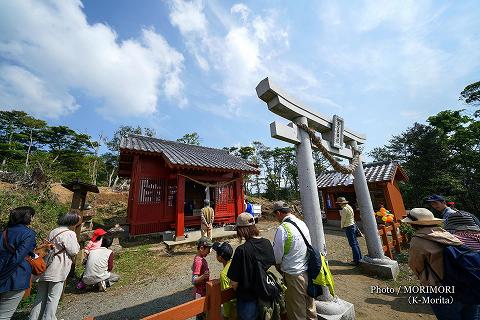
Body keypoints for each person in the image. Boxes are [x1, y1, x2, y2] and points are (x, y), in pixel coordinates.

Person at [402, 208, 480, 319]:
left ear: (413, 224)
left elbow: (416, 266)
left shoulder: (417, 240)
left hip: (440, 289)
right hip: (467, 283)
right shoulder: (446, 234)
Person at [29, 212, 81, 320]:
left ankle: (34, 318)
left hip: (45, 267)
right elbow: (74, 251)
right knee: (53, 297)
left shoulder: (53, 231)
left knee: (40, 297)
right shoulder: (69, 233)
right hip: (58, 269)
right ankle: (48, 318)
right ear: (72, 221)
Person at [271, 201, 316, 320]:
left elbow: (277, 256)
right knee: (310, 308)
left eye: (275, 215)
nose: (276, 218)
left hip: (293, 275)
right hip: (307, 271)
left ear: (279, 213)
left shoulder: (283, 228)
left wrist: (278, 265)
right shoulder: (302, 223)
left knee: (297, 312)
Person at [227, 212, 275, 320]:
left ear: (240, 230)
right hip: (265, 294)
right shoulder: (267, 243)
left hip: (247, 298)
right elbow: (271, 261)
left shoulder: (241, 250)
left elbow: (233, 283)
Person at [0, 207, 37, 320]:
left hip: (2, 270)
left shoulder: (3, 231)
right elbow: (17, 258)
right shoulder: (28, 233)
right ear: (27, 217)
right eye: (31, 216)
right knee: (4, 316)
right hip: (15, 277)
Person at [212, 241, 236, 320]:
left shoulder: (224, 274)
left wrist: (225, 315)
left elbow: (227, 298)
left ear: (220, 258)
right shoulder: (234, 263)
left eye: (217, 253)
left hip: (234, 307)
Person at [336, 197, 362, 266]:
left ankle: (356, 261)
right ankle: (359, 258)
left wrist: (342, 226)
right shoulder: (349, 207)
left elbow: (343, 219)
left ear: (340, 203)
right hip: (352, 225)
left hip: (348, 226)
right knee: (355, 243)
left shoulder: (344, 209)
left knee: (353, 244)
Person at [192, 236, 212, 320]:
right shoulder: (199, 261)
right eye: (208, 249)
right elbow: (194, 280)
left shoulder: (199, 258)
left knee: (203, 314)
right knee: (201, 315)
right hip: (200, 293)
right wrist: (203, 276)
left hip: (202, 292)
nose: (209, 252)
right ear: (201, 248)